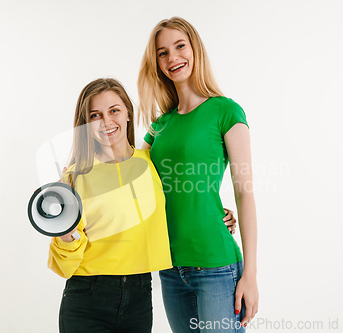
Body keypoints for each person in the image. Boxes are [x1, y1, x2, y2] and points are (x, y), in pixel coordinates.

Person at [47, 78, 237, 332]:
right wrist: (66, 233)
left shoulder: (152, 163)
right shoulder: (74, 176)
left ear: (127, 112)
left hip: (138, 296)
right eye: (95, 115)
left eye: (114, 110)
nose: (106, 122)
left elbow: (184, 192)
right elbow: (64, 264)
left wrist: (215, 211)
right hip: (86, 295)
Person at [138, 17, 259, 332]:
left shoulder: (226, 111)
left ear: (195, 49)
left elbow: (244, 192)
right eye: (163, 53)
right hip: (170, 267)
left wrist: (251, 275)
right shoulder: (159, 125)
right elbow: (135, 181)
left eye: (180, 46)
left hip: (216, 267)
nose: (173, 58)